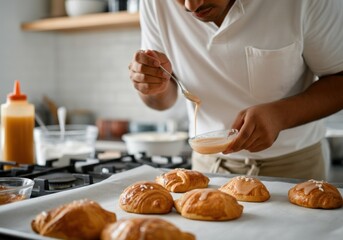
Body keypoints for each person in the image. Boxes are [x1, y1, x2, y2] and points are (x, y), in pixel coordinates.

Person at [128, 0, 343, 180]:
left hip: (294, 165)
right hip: (207, 166)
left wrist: (281, 115)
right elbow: (162, 100)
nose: (191, 5)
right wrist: (151, 85)